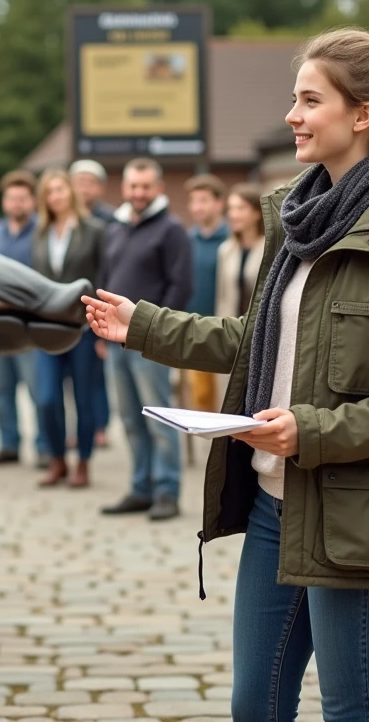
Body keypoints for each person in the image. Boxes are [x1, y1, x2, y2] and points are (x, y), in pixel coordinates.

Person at [82, 28, 369, 721]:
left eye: (310, 101)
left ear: (363, 115)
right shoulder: (303, 220)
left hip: (359, 518)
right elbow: (261, 340)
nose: (292, 115)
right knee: (255, 705)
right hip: (275, 506)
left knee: (350, 710)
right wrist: (142, 325)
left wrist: (312, 431)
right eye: (295, 99)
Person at [98, 157, 193, 522]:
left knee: (159, 419)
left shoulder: (171, 230)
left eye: (145, 186)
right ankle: (141, 489)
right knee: (129, 418)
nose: (138, 193)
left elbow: (180, 285)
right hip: (116, 341)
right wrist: (101, 331)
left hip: (150, 342)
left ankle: (167, 491)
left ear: (158, 188)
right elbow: (105, 279)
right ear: (124, 188)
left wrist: (158, 332)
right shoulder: (115, 228)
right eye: (133, 186)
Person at [32, 169, 105, 488]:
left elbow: (103, 278)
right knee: (46, 398)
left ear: (71, 193)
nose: (55, 197)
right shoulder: (40, 232)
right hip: (48, 330)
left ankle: (83, 462)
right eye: (49, 192)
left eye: (60, 190)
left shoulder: (94, 230)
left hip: (84, 328)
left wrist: (102, 329)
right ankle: (57, 459)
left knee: (84, 399)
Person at [0, 170, 49, 468]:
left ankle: (45, 447)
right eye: (11, 198)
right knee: (1, 390)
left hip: (32, 328)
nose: (17, 203)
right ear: (4, 201)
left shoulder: (44, 233)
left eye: (22, 198)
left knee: (38, 392)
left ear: (32, 201)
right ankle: (9, 444)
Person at [70, 159, 115, 449]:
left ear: (100, 187)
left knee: (96, 375)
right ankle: (78, 426)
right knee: (72, 377)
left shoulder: (110, 220)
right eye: (79, 182)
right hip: (70, 310)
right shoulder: (64, 217)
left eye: (90, 183)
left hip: (99, 304)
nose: (84, 188)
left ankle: (100, 425)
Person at [212, 182, 265, 403]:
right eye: (231, 209)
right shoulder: (226, 250)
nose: (233, 214)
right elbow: (222, 297)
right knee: (228, 397)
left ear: (257, 213)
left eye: (240, 208)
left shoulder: (270, 248)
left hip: (260, 334)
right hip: (233, 334)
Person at [184, 174, 229, 413]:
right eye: (193, 201)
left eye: (203, 200)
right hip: (193, 330)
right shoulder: (187, 240)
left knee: (224, 398)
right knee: (198, 399)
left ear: (219, 203)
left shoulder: (232, 239)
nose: (196, 207)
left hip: (224, 330)